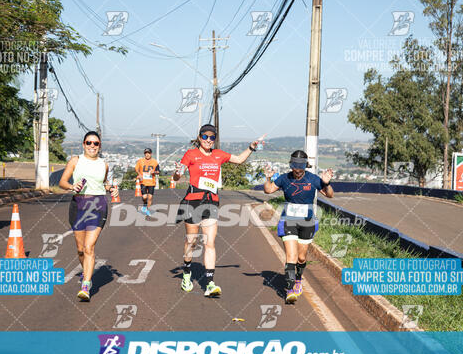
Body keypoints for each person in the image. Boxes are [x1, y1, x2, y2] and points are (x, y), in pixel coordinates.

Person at [173, 124, 264, 297]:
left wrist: (251, 147)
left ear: (215, 139)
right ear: (199, 137)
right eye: (205, 137)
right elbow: (177, 177)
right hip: (192, 203)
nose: (208, 140)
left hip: (211, 203)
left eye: (212, 137)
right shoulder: (191, 154)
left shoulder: (218, 155)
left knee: (210, 243)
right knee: (191, 242)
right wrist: (177, 173)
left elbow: (238, 159)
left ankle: (209, 283)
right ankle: (187, 272)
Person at [263, 150, 334, 303]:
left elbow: (330, 194)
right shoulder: (284, 178)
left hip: (307, 222)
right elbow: (268, 190)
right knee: (291, 257)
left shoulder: (313, 179)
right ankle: (289, 289)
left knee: (301, 258)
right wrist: (268, 178)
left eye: (300, 166)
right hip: (288, 220)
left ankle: (298, 279)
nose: (297, 169)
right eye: (295, 165)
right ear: (291, 165)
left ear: (305, 166)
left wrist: (326, 183)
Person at [59, 131, 119, 302]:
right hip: (78, 205)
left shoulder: (104, 164)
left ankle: (86, 284)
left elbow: (103, 184)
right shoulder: (75, 160)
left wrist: (111, 188)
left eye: (96, 144)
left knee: (89, 247)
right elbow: (62, 182)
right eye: (89, 143)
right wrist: (72, 186)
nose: (92, 146)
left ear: (100, 146)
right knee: (80, 249)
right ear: (83, 144)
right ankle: (87, 272)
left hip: (98, 205)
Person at [135, 148, 160, 216]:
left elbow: (158, 171)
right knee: (145, 197)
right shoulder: (140, 161)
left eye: (148, 153)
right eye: (146, 153)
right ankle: (145, 204)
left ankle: (148, 210)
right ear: (144, 154)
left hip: (151, 182)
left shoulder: (155, 162)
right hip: (143, 181)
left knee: (150, 197)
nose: (147, 154)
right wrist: (139, 174)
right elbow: (136, 169)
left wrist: (154, 172)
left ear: (151, 154)